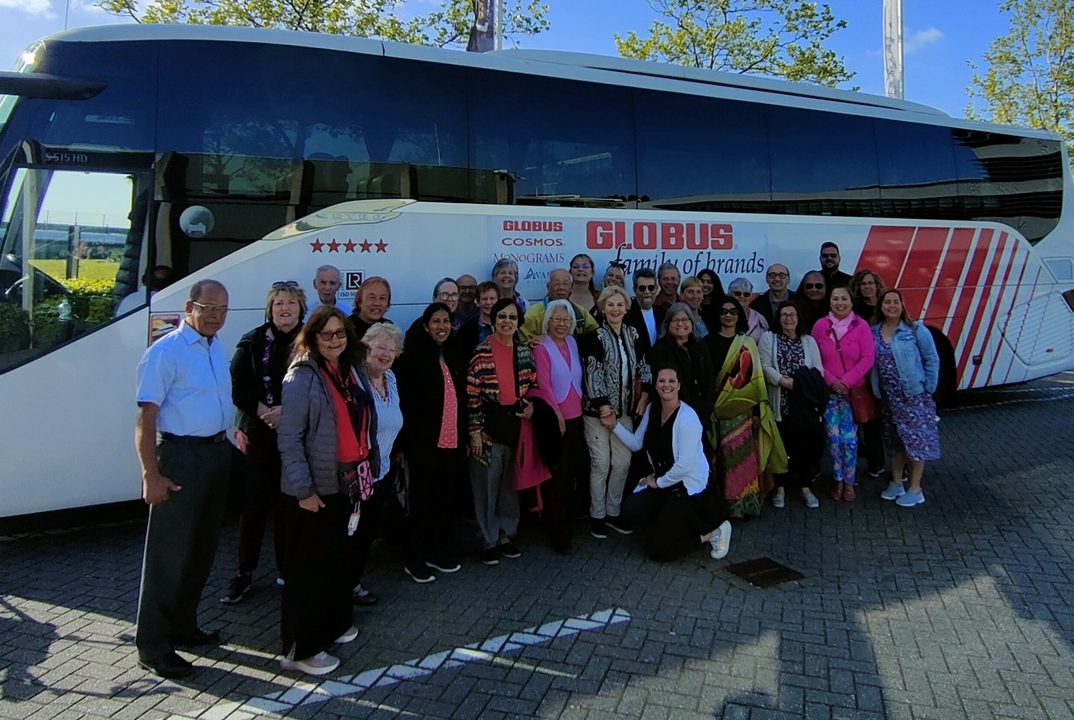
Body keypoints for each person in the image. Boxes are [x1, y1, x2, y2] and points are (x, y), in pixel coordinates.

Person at [133, 279, 233, 679]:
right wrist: (150, 474)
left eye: (223, 310)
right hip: (181, 457)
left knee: (201, 549)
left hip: (216, 453)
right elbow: (145, 417)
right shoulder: (166, 351)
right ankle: (153, 645)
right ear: (190, 306)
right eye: (209, 308)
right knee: (168, 556)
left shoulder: (215, 346)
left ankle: (183, 625)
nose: (215, 316)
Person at [277, 306, 375, 676]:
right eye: (326, 334)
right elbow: (289, 439)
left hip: (346, 484)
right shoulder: (302, 377)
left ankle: (331, 627)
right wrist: (303, 490)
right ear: (312, 337)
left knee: (335, 563)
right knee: (309, 573)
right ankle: (300, 650)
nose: (335, 340)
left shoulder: (347, 370)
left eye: (340, 333)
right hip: (315, 489)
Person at [223, 281, 306, 604]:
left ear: (301, 308)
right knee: (254, 506)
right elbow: (237, 384)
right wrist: (263, 411)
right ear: (269, 308)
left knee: (290, 506)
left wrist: (288, 412)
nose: (284, 309)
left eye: (291, 303)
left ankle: (287, 569)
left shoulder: (311, 341)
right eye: (278, 303)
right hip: (258, 435)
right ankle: (244, 572)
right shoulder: (252, 341)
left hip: (296, 434)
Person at [610, 366, 732, 562]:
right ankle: (668, 523)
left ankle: (714, 533)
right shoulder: (652, 409)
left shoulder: (688, 417)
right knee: (630, 509)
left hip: (684, 486)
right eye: (661, 381)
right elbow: (636, 443)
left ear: (679, 385)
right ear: (656, 386)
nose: (666, 385)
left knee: (659, 551)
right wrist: (614, 425)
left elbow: (683, 466)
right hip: (664, 482)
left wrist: (656, 482)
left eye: (671, 381)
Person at [394, 303, 467, 582]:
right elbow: (403, 404)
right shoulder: (412, 359)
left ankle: (435, 550)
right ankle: (414, 556)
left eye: (446, 321)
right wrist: (402, 447)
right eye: (436, 322)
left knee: (442, 500)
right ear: (426, 326)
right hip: (422, 444)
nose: (441, 327)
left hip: (450, 443)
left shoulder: (455, 355)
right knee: (419, 501)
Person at [467, 298, 536, 564]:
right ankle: (488, 539)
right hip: (486, 429)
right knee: (486, 486)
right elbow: (472, 394)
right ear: (493, 320)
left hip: (516, 426)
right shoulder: (481, 351)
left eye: (512, 317)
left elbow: (533, 385)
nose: (507, 322)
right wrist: (474, 432)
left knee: (510, 486)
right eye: (502, 317)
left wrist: (531, 408)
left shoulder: (523, 352)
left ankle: (507, 535)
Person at [579, 286, 651, 538]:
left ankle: (613, 512)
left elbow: (644, 365)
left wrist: (645, 394)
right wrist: (603, 405)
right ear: (602, 307)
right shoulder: (594, 336)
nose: (615, 309)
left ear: (626, 308)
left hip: (626, 412)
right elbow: (592, 371)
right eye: (610, 304)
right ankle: (596, 515)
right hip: (597, 413)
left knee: (622, 462)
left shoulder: (634, 334)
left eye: (619, 305)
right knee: (601, 463)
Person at [706, 297, 787, 518]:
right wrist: (709, 409)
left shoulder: (748, 343)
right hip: (717, 411)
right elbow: (706, 379)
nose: (728, 315)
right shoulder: (707, 342)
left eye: (733, 311)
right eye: (724, 311)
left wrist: (757, 411)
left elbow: (756, 379)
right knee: (720, 460)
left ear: (739, 316)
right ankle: (724, 505)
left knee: (742, 460)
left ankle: (745, 506)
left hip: (743, 411)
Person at [348, 322, 405, 605]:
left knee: (366, 533)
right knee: (351, 533)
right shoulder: (355, 380)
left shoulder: (391, 378)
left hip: (381, 471)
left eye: (391, 349)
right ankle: (341, 588)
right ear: (366, 347)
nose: (385, 353)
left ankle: (353, 584)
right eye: (380, 346)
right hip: (358, 474)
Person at [870, 289, 941, 508]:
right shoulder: (874, 331)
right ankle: (896, 482)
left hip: (912, 397)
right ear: (881, 306)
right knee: (893, 441)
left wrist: (927, 388)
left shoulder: (916, 330)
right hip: (888, 399)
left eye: (895, 302)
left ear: (902, 305)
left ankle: (915, 488)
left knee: (915, 441)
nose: (891, 306)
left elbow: (932, 359)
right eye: (887, 302)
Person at [530, 300, 586, 555]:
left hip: (577, 417)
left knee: (571, 472)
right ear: (547, 322)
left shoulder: (573, 343)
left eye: (566, 320)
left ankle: (568, 523)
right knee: (558, 478)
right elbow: (543, 384)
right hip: (557, 419)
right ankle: (557, 532)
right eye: (557, 319)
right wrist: (557, 415)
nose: (562, 324)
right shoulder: (541, 347)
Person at [811, 287, 876, 502]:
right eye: (835, 298)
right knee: (833, 438)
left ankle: (849, 481)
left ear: (851, 302)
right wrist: (831, 380)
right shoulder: (821, 326)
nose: (840, 303)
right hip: (828, 394)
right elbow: (813, 357)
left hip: (852, 394)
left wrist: (846, 382)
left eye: (844, 299)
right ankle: (838, 479)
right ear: (829, 302)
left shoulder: (861, 326)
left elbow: (867, 357)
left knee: (849, 440)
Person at [760, 301, 826, 509]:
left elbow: (818, 369)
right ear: (778, 318)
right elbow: (765, 366)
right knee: (780, 448)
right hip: (780, 404)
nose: (789, 318)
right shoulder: (768, 338)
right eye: (784, 315)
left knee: (804, 449)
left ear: (799, 318)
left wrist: (800, 385)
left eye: (792, 314)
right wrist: (783, 382)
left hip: (803, 406)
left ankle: (805, 487)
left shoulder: (809, 341)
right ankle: (779, 488)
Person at [648, 303, 716, 423]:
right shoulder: (660, 349)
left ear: (691, 322)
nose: (680, 324)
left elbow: (709, 377)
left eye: (685, 319)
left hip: (701, 410)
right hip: (671, 411)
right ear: (668, 324)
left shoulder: (700, 345)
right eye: (675, 320)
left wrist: (707, 406)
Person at [849, 268, 888, 477]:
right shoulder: (855, 312)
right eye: (863, 284)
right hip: (866, 371)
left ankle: (902, 464)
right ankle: (876, 462)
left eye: (870, 283)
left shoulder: (886, 307)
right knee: (871, 419)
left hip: (887, 369)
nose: (867, 287)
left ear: (877, 285)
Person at [518, 268, 598, 342]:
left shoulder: (580, 312)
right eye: (556, 284)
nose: (561, 288)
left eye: (565, 284)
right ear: (548, 287)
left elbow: (596, 333)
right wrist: (530, 342)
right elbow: (523, 339)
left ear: (571, 288)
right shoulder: (534, 313)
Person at [623, 267, 664, 357]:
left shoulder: (663, 314)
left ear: (656, 289)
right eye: (642, 288)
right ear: (634, 290)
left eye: (651, 288)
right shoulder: (625, 314)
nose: (647, 292)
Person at [459, 280, 499, 359]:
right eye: (484, 299)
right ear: (477, 302)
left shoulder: (506, 325)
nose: (488, 302)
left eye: (492, 298)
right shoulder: (467, 329)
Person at [750, 264, 795, 330]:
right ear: (767, 279)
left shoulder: (800, 304)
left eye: (781, 275)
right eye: (772, 275)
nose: (777, 279)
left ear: (788, 279)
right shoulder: (756, 305)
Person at [726, 278, 768, 344]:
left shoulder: (760, 319)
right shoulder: (722, 316)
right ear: (729, 294)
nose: (742, 297)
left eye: (746, 294)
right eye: (737, 293)